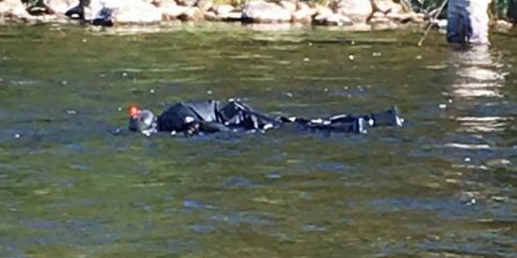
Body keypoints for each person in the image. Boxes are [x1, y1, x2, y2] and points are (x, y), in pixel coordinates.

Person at [128, 99, 404, 136]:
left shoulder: (173, 118)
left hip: (240, 118)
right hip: (237, 115)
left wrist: (237, 134)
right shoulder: (170, 116)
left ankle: (356, 125)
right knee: (298, 123)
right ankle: (373, 119)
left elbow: (200, 124)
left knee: (295, 127)